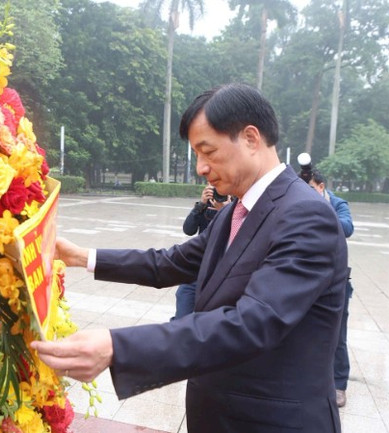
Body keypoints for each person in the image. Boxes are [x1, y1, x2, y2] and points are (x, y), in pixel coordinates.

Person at [31, 83, 349, 432]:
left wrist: (118, 347)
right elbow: (169, 263)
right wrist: (79, 256)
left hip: (273, 422)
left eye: (208, 151)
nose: (201, 167)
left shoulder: (306, 215)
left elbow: (252, 322)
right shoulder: (234, 212)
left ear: (251, 138)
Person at [298, 154, 355, 408]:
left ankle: (339, 385)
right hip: (305, 278)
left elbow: (347, 228)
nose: (307, 194)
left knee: (337, 336)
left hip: (335, 281)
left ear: (321, 187)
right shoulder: (299, 202)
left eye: (311, 190)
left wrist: (320, 210)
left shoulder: (338, 204)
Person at [172, 183, 227, 320]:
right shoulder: (205, 204)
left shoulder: (237, 206)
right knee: (183, 301)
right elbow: (188, 230)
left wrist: (226, 211)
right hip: (199, 266)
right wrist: (201, 204)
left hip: (221, 270)